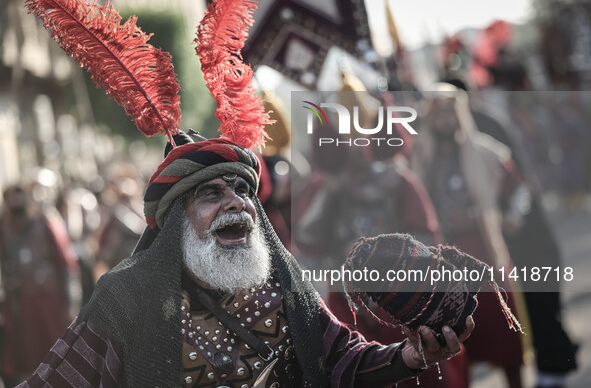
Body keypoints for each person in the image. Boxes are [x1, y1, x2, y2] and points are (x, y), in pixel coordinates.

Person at [18, 136, 474, 387]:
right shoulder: (126, 298)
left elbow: (338, 359)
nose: (237, 203)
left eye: (241, 190)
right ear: (177, 221)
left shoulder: (282, 282)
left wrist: (410, 356)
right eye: (212, 193)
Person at [410, 84, 527, 388]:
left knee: (505, 339)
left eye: (451, 112)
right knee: (456, 346)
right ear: (430, 118)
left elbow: (519, 190)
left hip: (485, 254)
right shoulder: (420, 160)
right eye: (439, 113)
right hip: (443, 264)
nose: (446, 120)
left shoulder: (485, 151)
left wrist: (509, 219)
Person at [0, 185, 79, 387]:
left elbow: (66, 264)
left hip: (49, 300)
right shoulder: (4, 229)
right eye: (11, 198)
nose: (16, 203)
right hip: (21, 304)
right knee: (28, 359)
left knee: (57, 353)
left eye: (19, 197)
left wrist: (71, 303)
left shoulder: (45, 223)